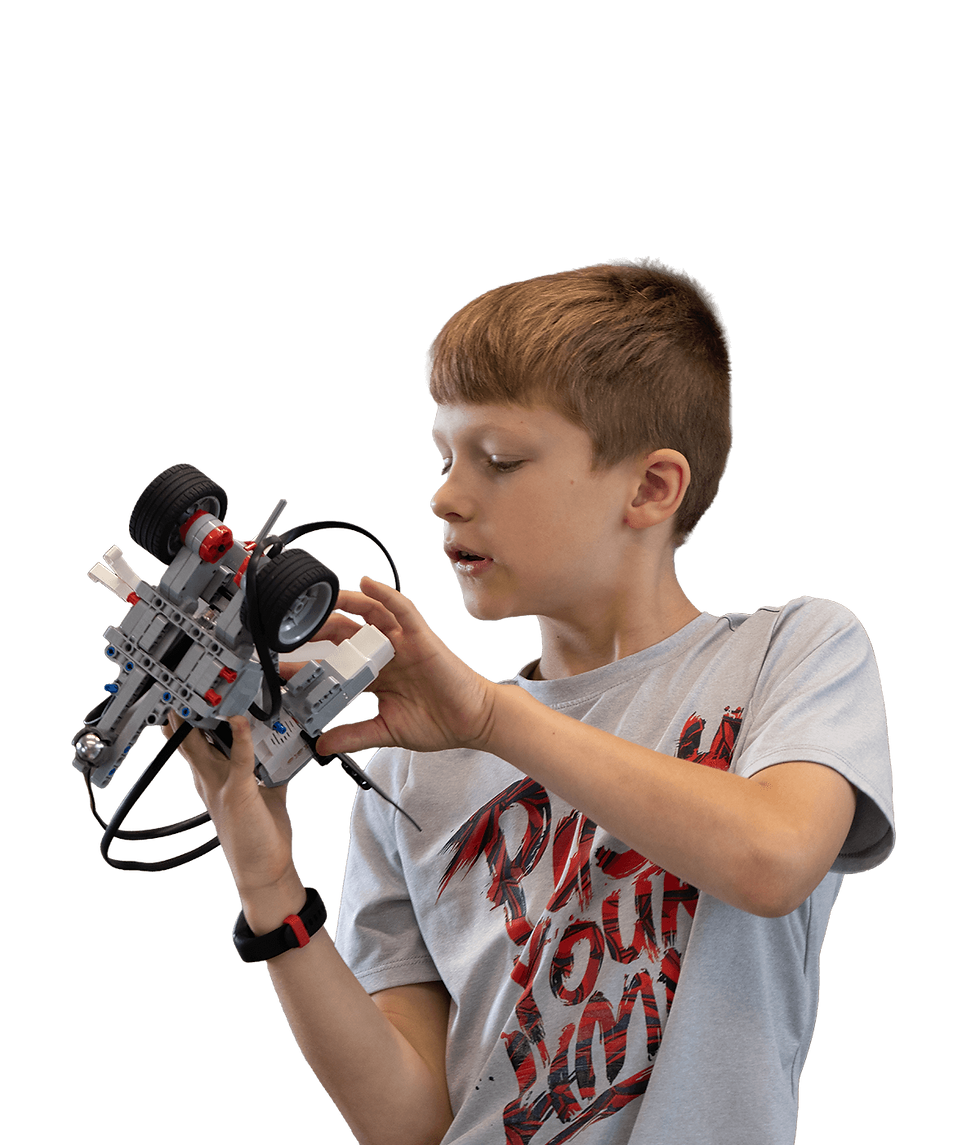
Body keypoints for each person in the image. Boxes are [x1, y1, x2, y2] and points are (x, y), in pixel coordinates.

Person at [170, 255, 896, 1144]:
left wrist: (490, 718)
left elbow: (773, 860)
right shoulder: (403, 755)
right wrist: (268, 885)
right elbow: (409, 1122)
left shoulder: (792, 649)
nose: (445, 496)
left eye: (500, 459)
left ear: (651, 487)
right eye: (441, 458)